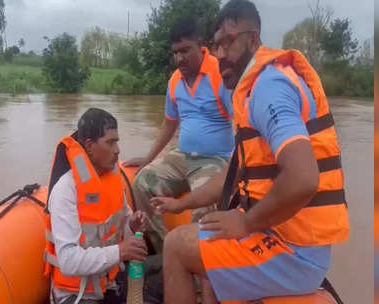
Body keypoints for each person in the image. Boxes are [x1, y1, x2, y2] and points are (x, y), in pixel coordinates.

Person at [152, 0, 350, 303]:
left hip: (293, 252)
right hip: (287, 239)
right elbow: (227, 177)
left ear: (253, 39)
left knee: (176, 246)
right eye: (216, 46)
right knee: (211, 230)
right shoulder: (256, 88)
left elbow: (303, 178)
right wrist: (180, 205)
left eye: (228, 43)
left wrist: (245, 223)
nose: (220, 55)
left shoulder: (268, 88)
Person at [123, 16, 234, 254]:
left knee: (204, 210)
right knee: (141, 182)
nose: (179, 58)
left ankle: (198, 270)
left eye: (185, 50)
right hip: (181, 156)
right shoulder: (175, 81)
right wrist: (148, 159)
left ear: (201, 45)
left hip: (213, 160)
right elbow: (168, 125)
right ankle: (166, 252)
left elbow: (243, 124)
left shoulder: (219, 74)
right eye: (175, 52)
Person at [43, 108, 148, 304]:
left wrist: (131, 225)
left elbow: (122, 226)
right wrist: (121, 252)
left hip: (110, 284)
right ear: (89, 145)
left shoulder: (113, 180)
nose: (117, 150)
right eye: (110, 142)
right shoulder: (66, 190)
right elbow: (68, 261)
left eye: (117, 141)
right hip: (77, 296)